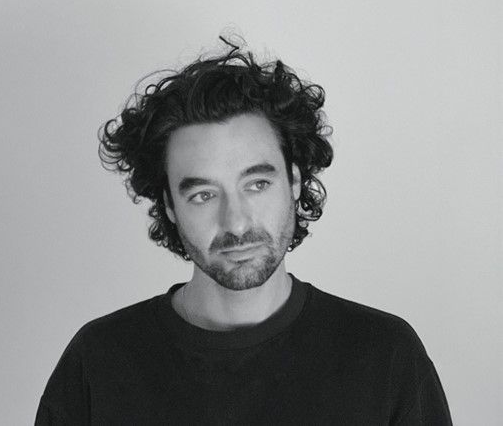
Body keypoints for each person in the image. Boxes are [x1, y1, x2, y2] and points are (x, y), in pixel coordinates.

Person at [35, 39, 452, 425]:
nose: (235, 222)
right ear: (168, 206)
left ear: (293, 181)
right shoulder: (99, 362)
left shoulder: (385, 355)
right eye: (202, 194)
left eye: (257, 184)